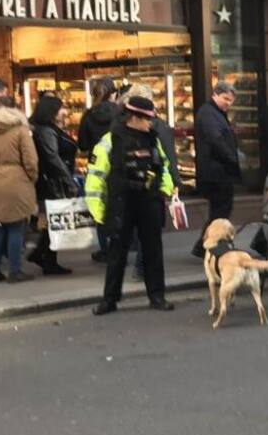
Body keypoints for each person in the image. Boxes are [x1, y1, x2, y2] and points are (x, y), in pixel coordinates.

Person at [86, 95, 178, 315]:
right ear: (134, 117)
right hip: (122, 202)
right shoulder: (111, 140)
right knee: (117, 253)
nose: (151, 124)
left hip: (149, 201)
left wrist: (166, 189)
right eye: (148, 119)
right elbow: (96, 177)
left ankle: (157, 296)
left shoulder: (153, 139)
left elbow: (162, 166)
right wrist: (98, 211)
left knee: (153, 251)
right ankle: (109, 300)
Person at [0, 97, 38, 284]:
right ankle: (15, 271)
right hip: (16, 179)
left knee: (0, 227)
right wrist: (32, 177)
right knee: (16, 227)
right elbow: (30, 160)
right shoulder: (20, 129)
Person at [28, 94, 78, 275]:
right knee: (55, 222)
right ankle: (47, 258)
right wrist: (68, 180)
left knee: (53, 222)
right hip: (53, 182)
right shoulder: (46, 131)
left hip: (51, 180)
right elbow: (53, 158)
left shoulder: (46, 129)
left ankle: (42, 254)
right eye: (60, 108)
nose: (64, 111)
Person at [192, 80, 242, 258]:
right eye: (225, 98)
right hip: (216, 173)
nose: (228, 103)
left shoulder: (215, 113)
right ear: (215, 94)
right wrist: (231, 158)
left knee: (220, 211)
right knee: (220, 212)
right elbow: (216, 140)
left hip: (219, 171)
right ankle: (206, 245)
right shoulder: (208, 114)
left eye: (231, 100)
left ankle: (205, 245)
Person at [78, 77, 121, 263]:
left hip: (96, 167)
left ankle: (105, 249)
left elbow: (82, 144)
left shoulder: (88, 115)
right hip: (117, 165)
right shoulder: (120, 113)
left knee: (99, 207)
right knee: (119, 205)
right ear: (114, 94)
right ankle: (119, 244)